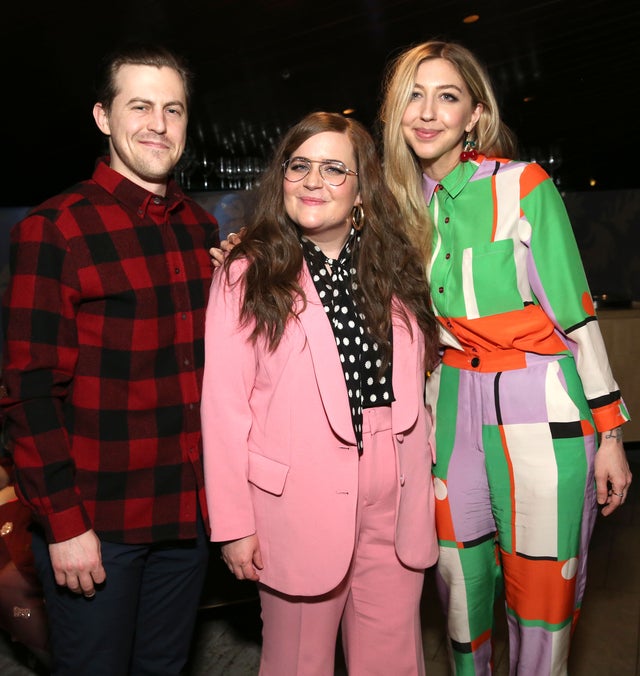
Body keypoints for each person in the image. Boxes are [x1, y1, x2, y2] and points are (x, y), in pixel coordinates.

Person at [377, 40, 633, 675]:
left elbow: (575, 316)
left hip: (543, 409)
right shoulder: (395, 209)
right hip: (451, 413)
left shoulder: (523, 186)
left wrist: (610, 434)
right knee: (460, 595)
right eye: (414, 93)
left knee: (543, 605)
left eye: (448, 96)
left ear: (475, 117)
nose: (428, 111)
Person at [1, 42, 218, 675]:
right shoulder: (55, 228)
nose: (159, 124)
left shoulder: (200, 230)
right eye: (140, 106)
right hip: (97, 524)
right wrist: (64, 524)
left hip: (186, 516)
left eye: (173, 109)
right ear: (103, 117)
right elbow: (29, 391)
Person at [200, 110, 440, 676]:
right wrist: (234, 525)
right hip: (296, 502)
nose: (314, 181)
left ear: (361, 190)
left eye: (335, 169)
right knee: (298, 664)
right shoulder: (247, 272)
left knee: (393, 663)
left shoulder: (396, 268)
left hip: (396, 495)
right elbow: (225, 407)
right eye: (299, 165)